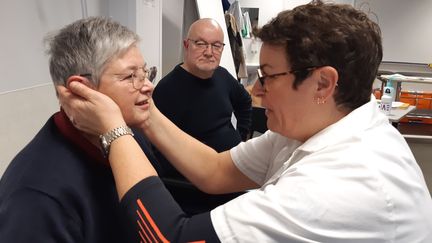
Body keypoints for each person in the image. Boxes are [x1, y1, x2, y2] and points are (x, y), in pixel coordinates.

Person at [58, 1, 432, 242]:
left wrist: (115, 130)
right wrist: (145, 112)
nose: (255, 89)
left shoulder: (344, 182)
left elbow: (173, 239)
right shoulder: (311, 127)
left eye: (268, 75)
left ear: (322, 83)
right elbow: (216, 171)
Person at [0, 16, 160, 242]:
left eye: (145, 73)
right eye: (131, 76)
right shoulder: (37, 196)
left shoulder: (130, 139)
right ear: (82, 90)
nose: (148, 86)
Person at [152, 18, 252, 214]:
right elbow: (159, 152)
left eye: (216, 45)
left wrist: (240, 136)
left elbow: (244, 103)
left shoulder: (222, 76)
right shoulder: (167, 90)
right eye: (201, 43)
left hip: (231, 175)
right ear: (186, 45)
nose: (209, 52)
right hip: (197, 189)